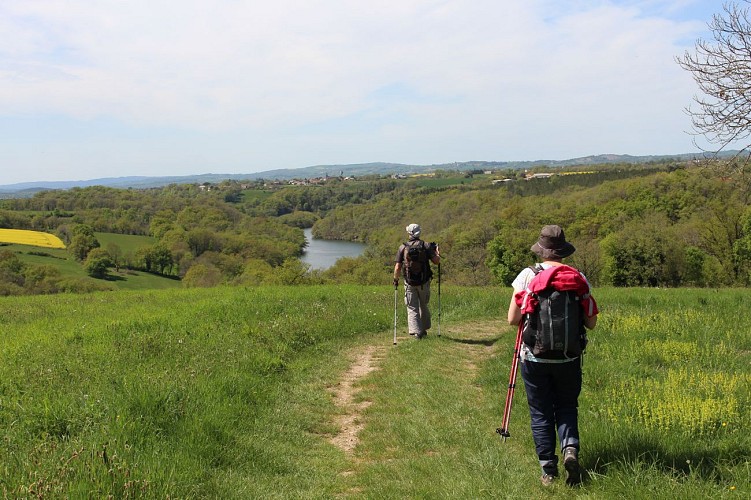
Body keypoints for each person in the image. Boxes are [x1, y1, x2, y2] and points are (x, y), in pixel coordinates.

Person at [507, 225, 598, 487]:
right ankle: (570, 449)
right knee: (567, 406)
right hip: (569, 357)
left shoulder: (527, 275)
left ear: (541, 249)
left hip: (534, 358)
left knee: (540, 412)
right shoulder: (577, 276)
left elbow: (513, 319)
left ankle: (548, 471)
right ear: (562, 251)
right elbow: (591, 323)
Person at [393, 223, 440, 339]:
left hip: (409, 282)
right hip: (424, 282)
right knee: (423, 305)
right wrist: (437, 252)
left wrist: (396, 279)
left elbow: (398, 267)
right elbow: (436, 261)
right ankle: (423, 329)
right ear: (419, 232)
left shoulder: (403, 247)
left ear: (409, 233)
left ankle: (416, 332)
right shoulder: (426, 246)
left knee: (412, 307)